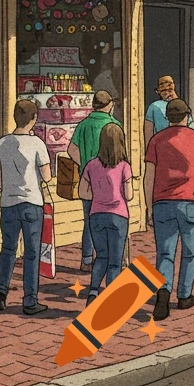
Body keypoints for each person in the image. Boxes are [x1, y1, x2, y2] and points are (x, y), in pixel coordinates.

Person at [145, 98, 194, 320]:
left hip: (162, 202)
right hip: (192, 201)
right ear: (187, 116)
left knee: (165, 252)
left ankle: (163, 292)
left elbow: (148, 176)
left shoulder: (156, 141)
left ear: (167, 117)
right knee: (190, 253)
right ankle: (184, 295)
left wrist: (147, 204)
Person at [0, 99, 52, 315]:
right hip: (32, 203)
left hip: (8, 202)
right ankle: (30, 299)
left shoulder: (0, 143)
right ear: (34, 119)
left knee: (8, 249)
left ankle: (0, 293)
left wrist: (10, 186)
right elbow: (47, 177)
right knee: (31, 253)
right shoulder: (37, 144)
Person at [78, 123, 133, 304]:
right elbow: (130, 195)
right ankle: (111, 299)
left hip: (96, 215)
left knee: (101, 256)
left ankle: (93, 291)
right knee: (115, 261)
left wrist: (97, 195)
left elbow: (82, 193)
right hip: (118, 216)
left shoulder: (91, 165)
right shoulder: (124, 166)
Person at [67, 90, 116, 272]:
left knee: (89, 220)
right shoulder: (113, 125)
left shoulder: (84, 125)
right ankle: (109, 258)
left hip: (87, 180)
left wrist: (85, 165)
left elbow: (72, 150)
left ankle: (87, 259)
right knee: (110, 219)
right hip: (110, 181)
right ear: (109, 105)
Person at [144, 76, 192, 146]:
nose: (167, 93)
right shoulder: (154, 106)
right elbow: (148, 130)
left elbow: (148, 131)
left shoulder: (181, 106)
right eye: (164, 91)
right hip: (168, 145)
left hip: (167, 145)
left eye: (169, 90)